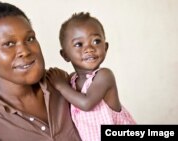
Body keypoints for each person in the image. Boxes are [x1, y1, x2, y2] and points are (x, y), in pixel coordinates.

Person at [0, 1, 81, 141]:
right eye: (9, 44)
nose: (24, 51)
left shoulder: (64, 83)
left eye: (30, 39)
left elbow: (110, 125)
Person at [46, 12, 136, 141]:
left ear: (105, 47)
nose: (89, 48)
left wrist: (60, 85)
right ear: (65, 55)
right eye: (79, 44)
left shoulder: (104, 76)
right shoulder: (71, 81)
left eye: (96, 41)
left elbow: (86, 103)